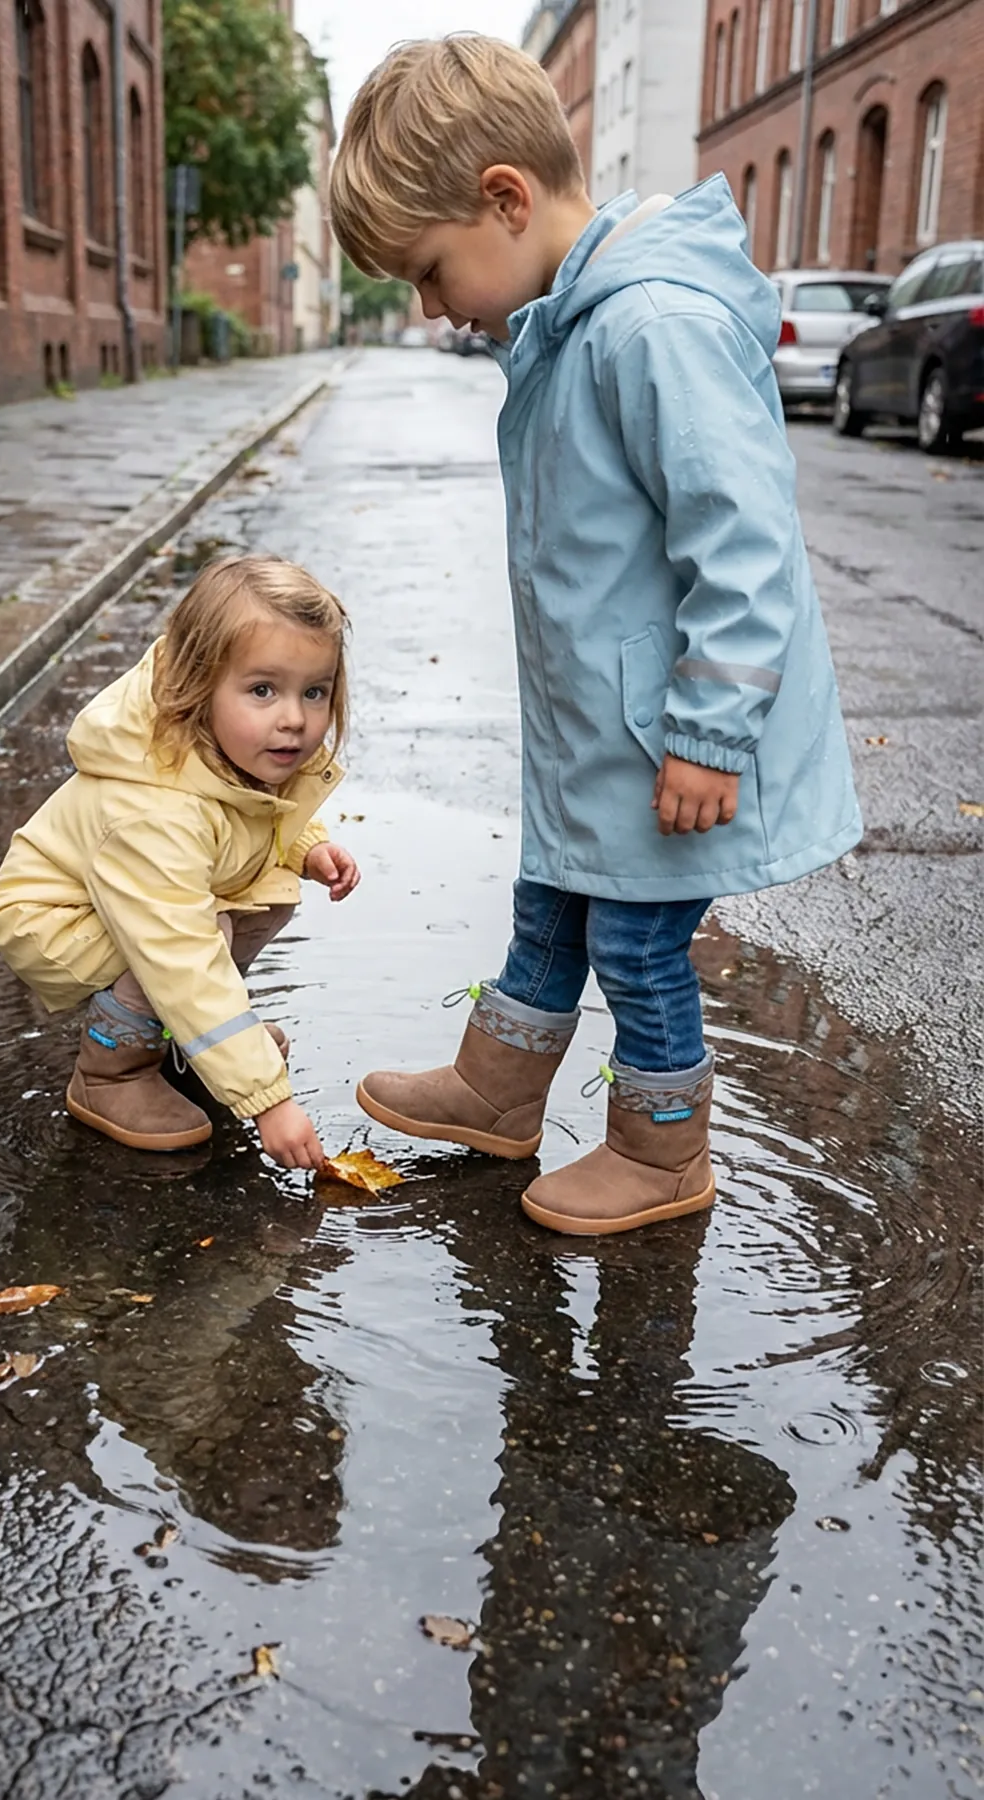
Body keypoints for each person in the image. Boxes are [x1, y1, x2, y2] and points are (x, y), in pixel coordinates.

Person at [330, 35, 860, 1235]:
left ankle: (663, 1152)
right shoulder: (568, 323)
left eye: (428, 270)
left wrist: (711, 735)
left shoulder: (647, 327)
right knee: (551, 901)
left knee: (634, 944)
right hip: (602, 735)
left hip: (670, 735)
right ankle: (500, 1088)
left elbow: (743, 544)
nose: (429, 306)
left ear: (504, 200)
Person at [0, 554, 359, 1170]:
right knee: (197, 939)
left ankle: (187, 1042)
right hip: (53, 920)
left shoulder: (225, 746)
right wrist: (267, 1100)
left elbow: (246, 812)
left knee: (267, 893)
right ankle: (112, 1071)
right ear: (197, 685)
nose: (294, 718)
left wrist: (302, 844)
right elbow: (181, 958)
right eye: (263, 690)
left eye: (313, 692)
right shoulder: (151, 812)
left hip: (128, 900)